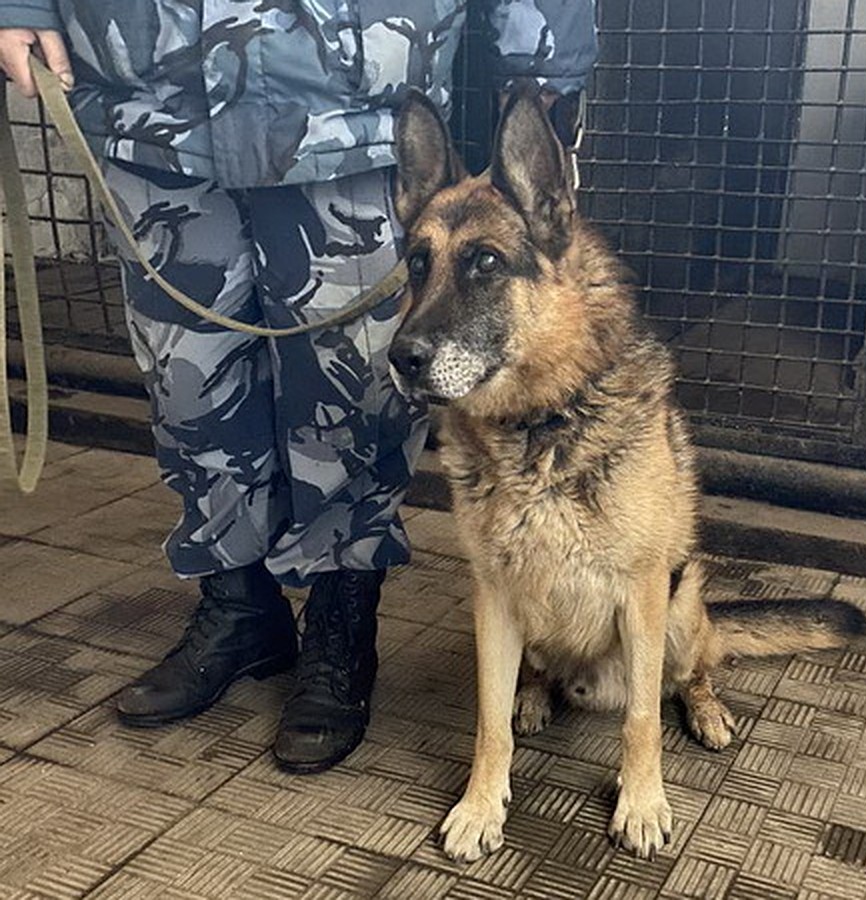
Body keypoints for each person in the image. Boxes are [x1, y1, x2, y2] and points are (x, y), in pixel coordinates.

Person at [0, 0, 596, 774]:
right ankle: (240, 606)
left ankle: (341, 623)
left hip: (344, 101)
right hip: (149, 104)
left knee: (348, 394)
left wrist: (544, 60)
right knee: (189, 383)